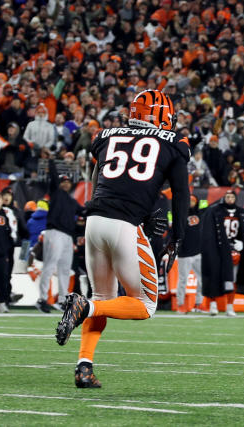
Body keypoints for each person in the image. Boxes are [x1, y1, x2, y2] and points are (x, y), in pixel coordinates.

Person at [54, 89, 190, 388]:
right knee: (144, 306)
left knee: (102, 297)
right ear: (162, 116)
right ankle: (83, 307)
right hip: (123, 226)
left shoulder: (105, 135)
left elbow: (101, 181)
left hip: (95, 221)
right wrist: (176, 239)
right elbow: (181, 195)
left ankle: (84, 367)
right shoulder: (175, 143)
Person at [200, 190, 244, 316]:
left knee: (232, 279)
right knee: (214, 276)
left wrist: (243, 244)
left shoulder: (243, 213)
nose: (230, 199)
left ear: (235, 198)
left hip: (235, 250)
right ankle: (213, 305)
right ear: (224, 198)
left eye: (232, 196)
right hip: (218, 250)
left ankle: (229, 307)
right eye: (227, 196)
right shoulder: (214, 211)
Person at [38, 160, 84, 311]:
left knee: (65, 269)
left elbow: (84, 212)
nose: (65, 184)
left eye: (68, 182)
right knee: (50, 266)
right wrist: (52, 161)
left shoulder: (72, 201)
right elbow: (53, 177)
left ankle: (63, 300)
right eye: (63, 181)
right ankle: (42, 298)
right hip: (54, 232)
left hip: (67, 236)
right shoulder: (56, 193)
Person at [175, 195, 205, 313]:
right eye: (189, 201)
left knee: (202, 280)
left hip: (198, 252)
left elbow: (208, 204)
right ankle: (180, 304)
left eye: (193, 201)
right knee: (183, 280)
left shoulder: (200, 213)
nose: (191, 203)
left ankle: (199, 304)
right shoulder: (180, 214)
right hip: (184, 253)